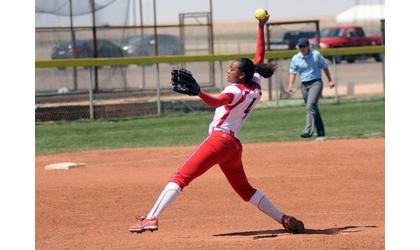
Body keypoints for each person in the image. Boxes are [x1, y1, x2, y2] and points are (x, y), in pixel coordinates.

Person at [128, 14, 305, 234]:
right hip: (233, 147)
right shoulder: (254, 84)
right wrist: (261, 27)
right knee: (244, 190)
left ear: (241, 75)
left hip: (219, 141)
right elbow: (259, 55)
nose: (228, 70)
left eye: (232, 69)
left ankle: (151, 218)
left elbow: (217, 102)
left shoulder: (234, 90)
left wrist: (199, 92)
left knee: (181, 177)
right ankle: (283, 219)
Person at [287, 38, 335, 138]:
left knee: (310, 106)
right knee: (313, 108)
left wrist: (330, 81)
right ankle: (320, 132)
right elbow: (293, 72)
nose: (301, 48)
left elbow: (324, 67)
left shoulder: (316, 55)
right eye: (300, 47)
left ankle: (308, 130)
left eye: (303, 46)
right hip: (304, 85)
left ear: (308, 46)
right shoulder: (296, 58)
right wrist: (290, 84)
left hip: (316, 83)